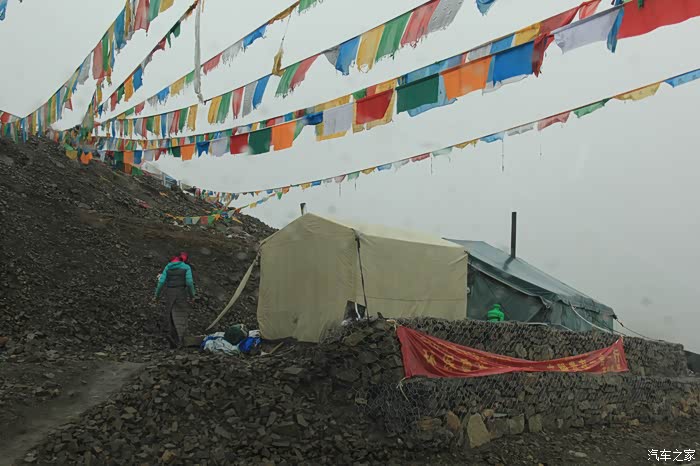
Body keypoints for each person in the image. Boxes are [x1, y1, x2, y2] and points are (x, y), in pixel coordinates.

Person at [154, 254, 196, 348]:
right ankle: (181, 339)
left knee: (170, 314)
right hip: (181, 293)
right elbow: (189, 282)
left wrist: (156, 296)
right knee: (181, 315)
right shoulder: (186, 267)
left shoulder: (168, 267)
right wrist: (192, 296)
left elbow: (161, 282)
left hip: (169, 293)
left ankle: (171, 336)